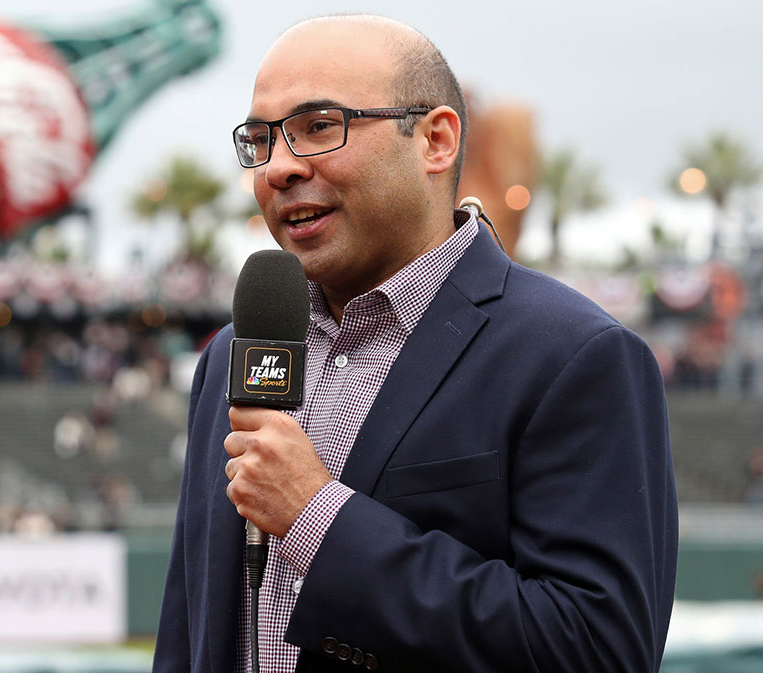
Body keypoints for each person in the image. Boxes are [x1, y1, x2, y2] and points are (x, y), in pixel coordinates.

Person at [153, 15, 677, 673]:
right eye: (260, 139)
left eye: (319, 126)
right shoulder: (234, 353)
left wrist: (318, 519)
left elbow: (599, 649)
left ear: (435, 139)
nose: (279, 167)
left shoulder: (574, 355)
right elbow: (188, 633)